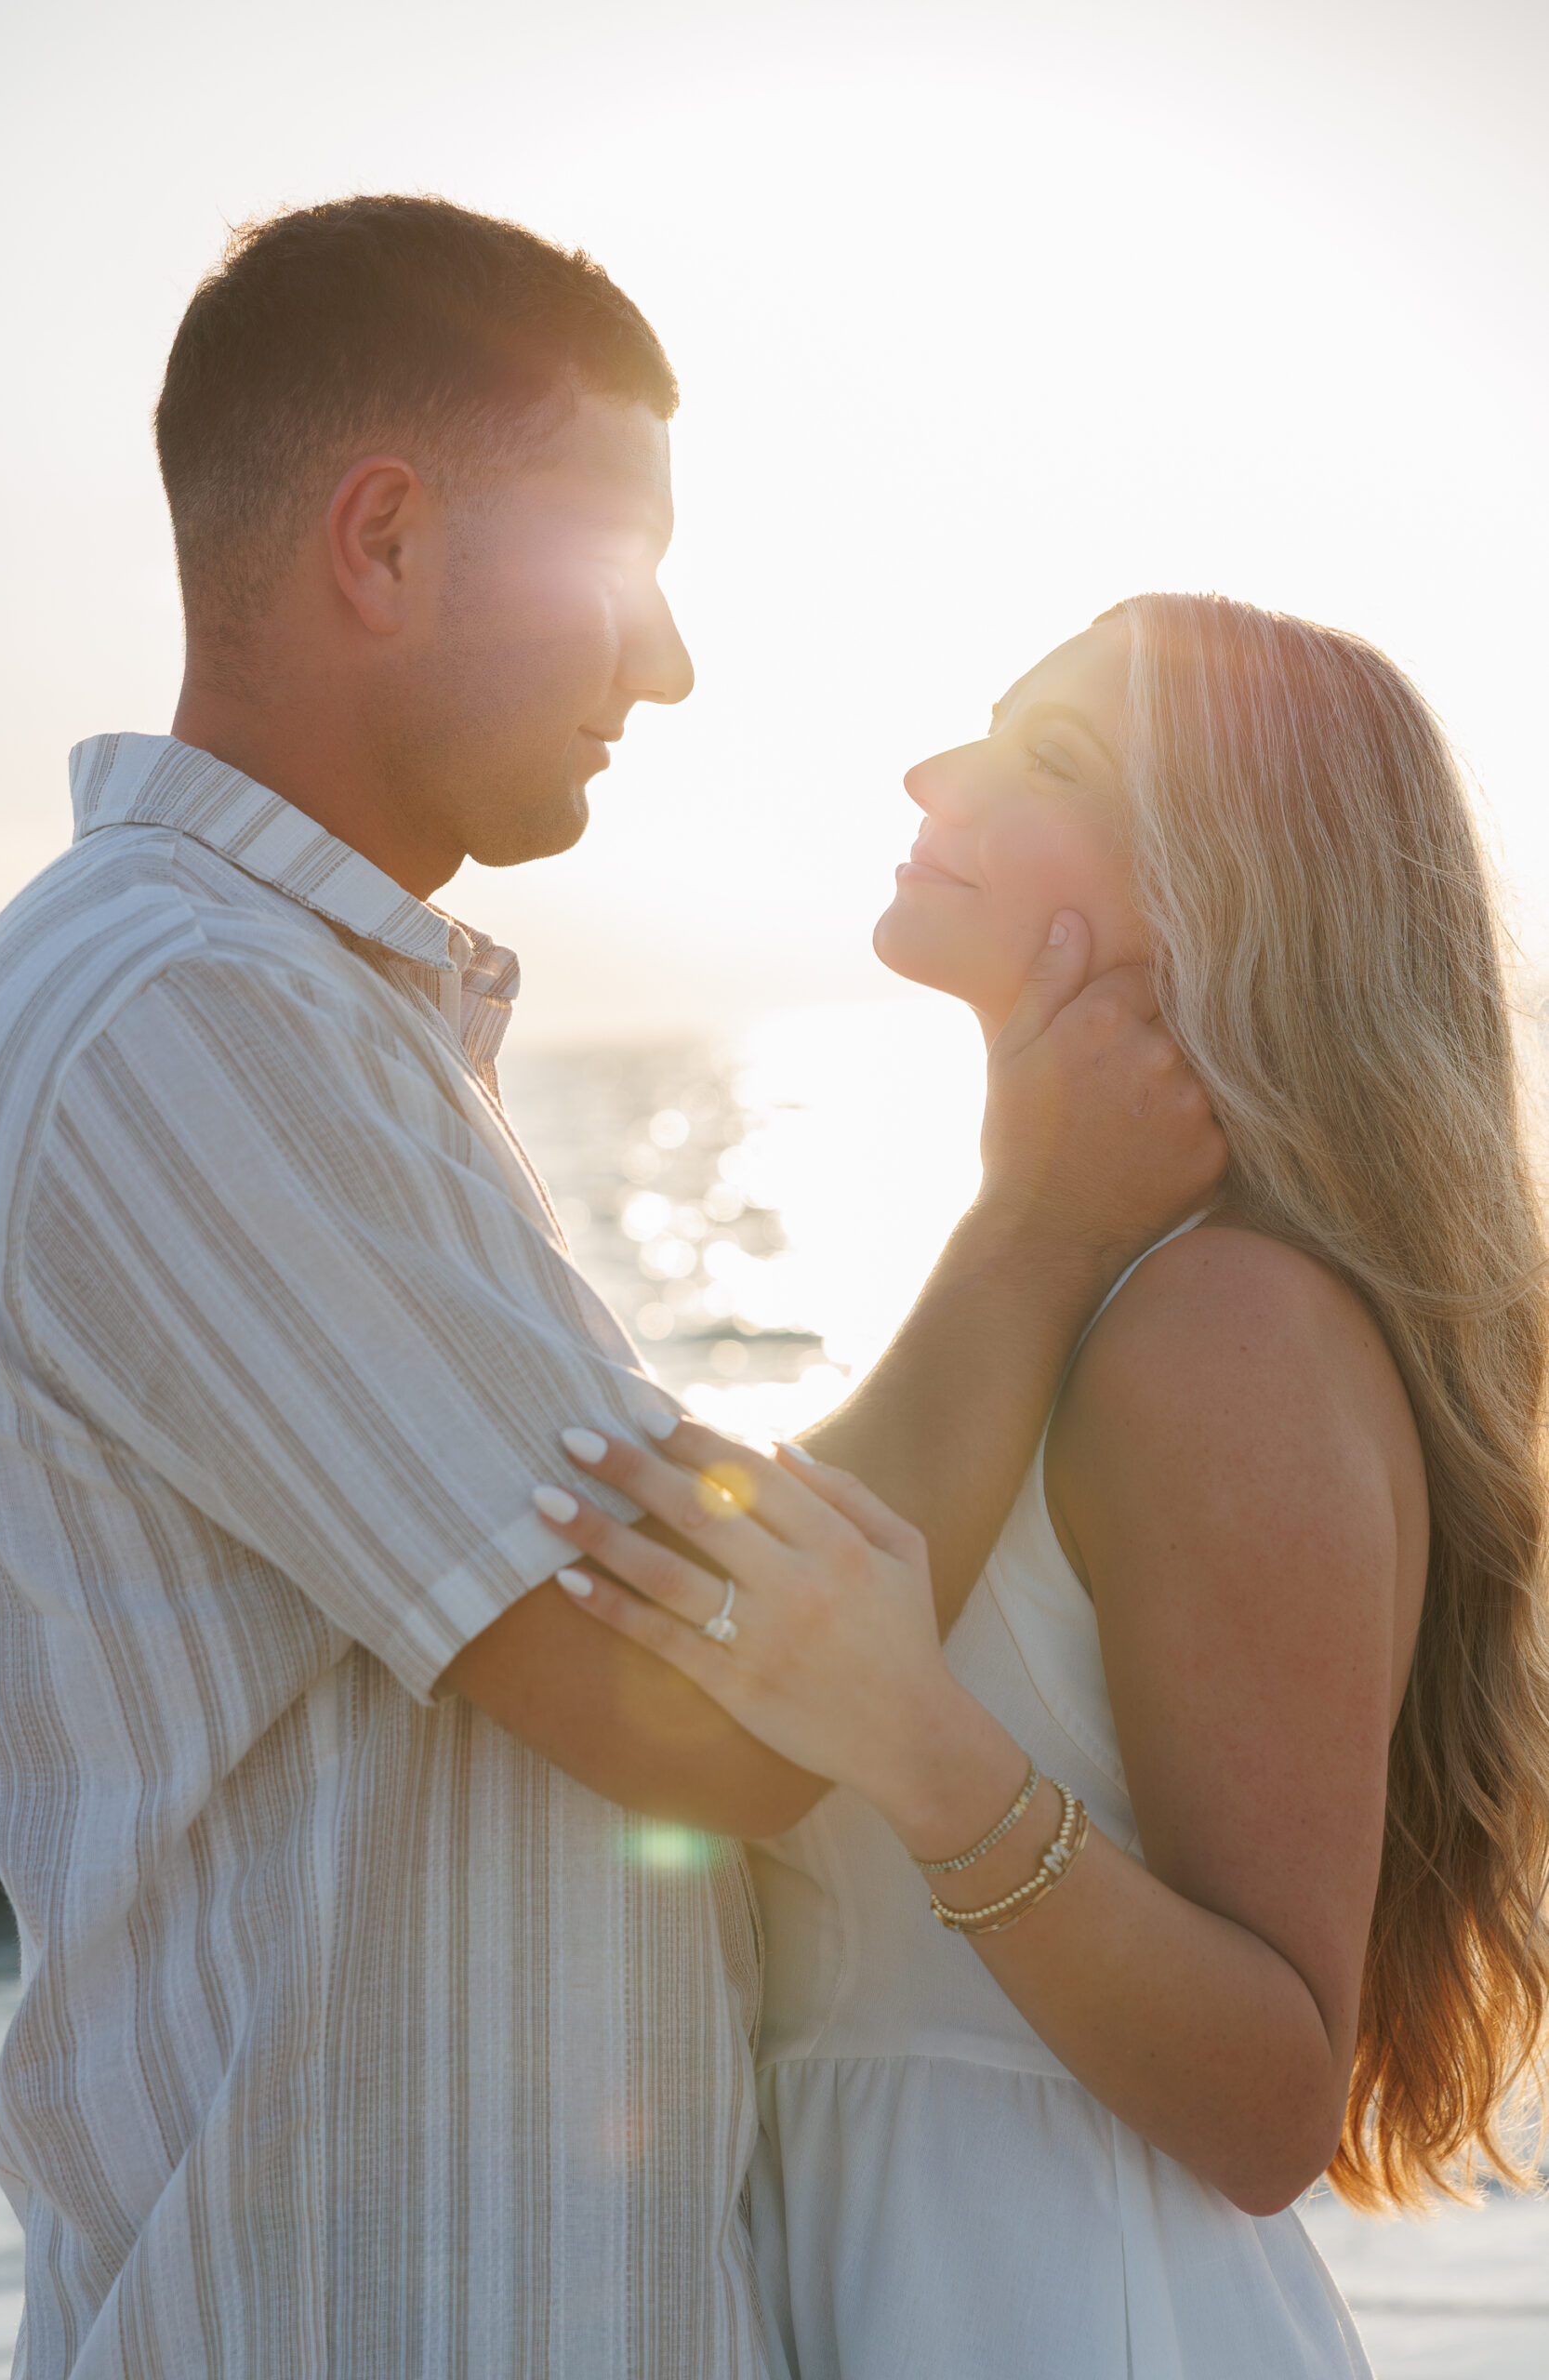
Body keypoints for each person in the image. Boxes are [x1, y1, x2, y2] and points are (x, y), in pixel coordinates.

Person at [0, 199, 1223, 2375]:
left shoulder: (289, 1015)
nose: (668, 663)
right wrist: (1036, 1220)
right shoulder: (193, 1017)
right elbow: (705, 1722)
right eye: (623, 561)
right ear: (383, 540)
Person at [539, 593, 1549, 2378]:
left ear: (1225, 901)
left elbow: (1272, 2102)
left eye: (1049, 757)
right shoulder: (1073, 1280)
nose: (938, 771)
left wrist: (922, 1746)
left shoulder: (1225, 1326)